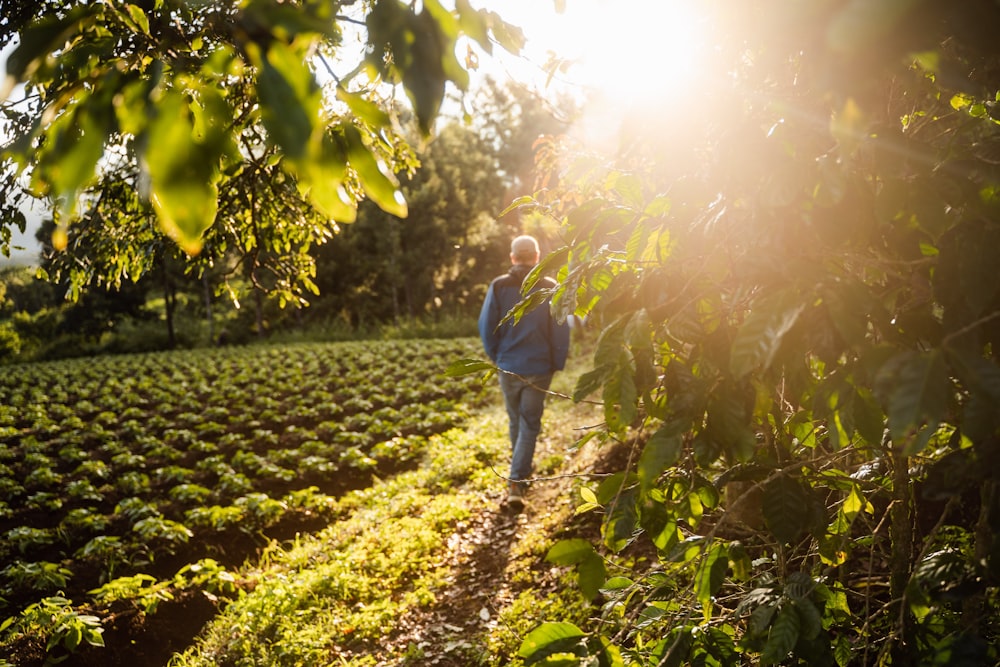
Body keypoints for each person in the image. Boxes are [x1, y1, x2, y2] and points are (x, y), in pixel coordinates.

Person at [479, 235, 570, 507]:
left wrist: (498, 357)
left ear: (513, 257)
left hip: (508, 366)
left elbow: (486, 327)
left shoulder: (498, 286)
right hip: (538, 367)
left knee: (517, 422)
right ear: (537, 257)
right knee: (529, 424)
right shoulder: (549, 287)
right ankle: (517, 482)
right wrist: (556, 362)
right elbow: (560, 329)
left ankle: (519, 474)